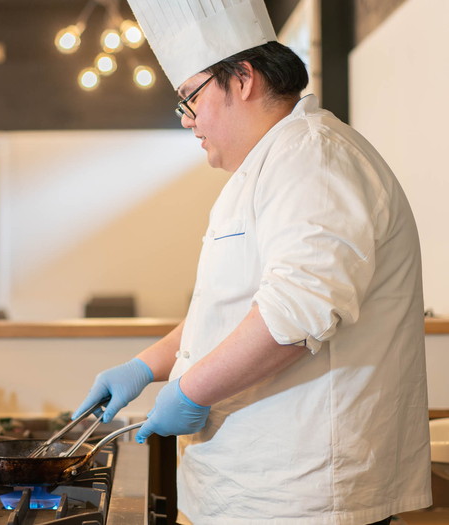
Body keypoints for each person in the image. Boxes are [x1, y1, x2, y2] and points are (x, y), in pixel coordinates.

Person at [73, 0, 432, 523]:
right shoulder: (262, 168)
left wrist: (191, 389)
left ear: (241, 79)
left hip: (304, 491)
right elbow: (227, 310)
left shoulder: (312, 155)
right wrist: (147, 365)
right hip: (253, 484)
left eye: (190, 100)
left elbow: (295, 313)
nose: (187, 123)